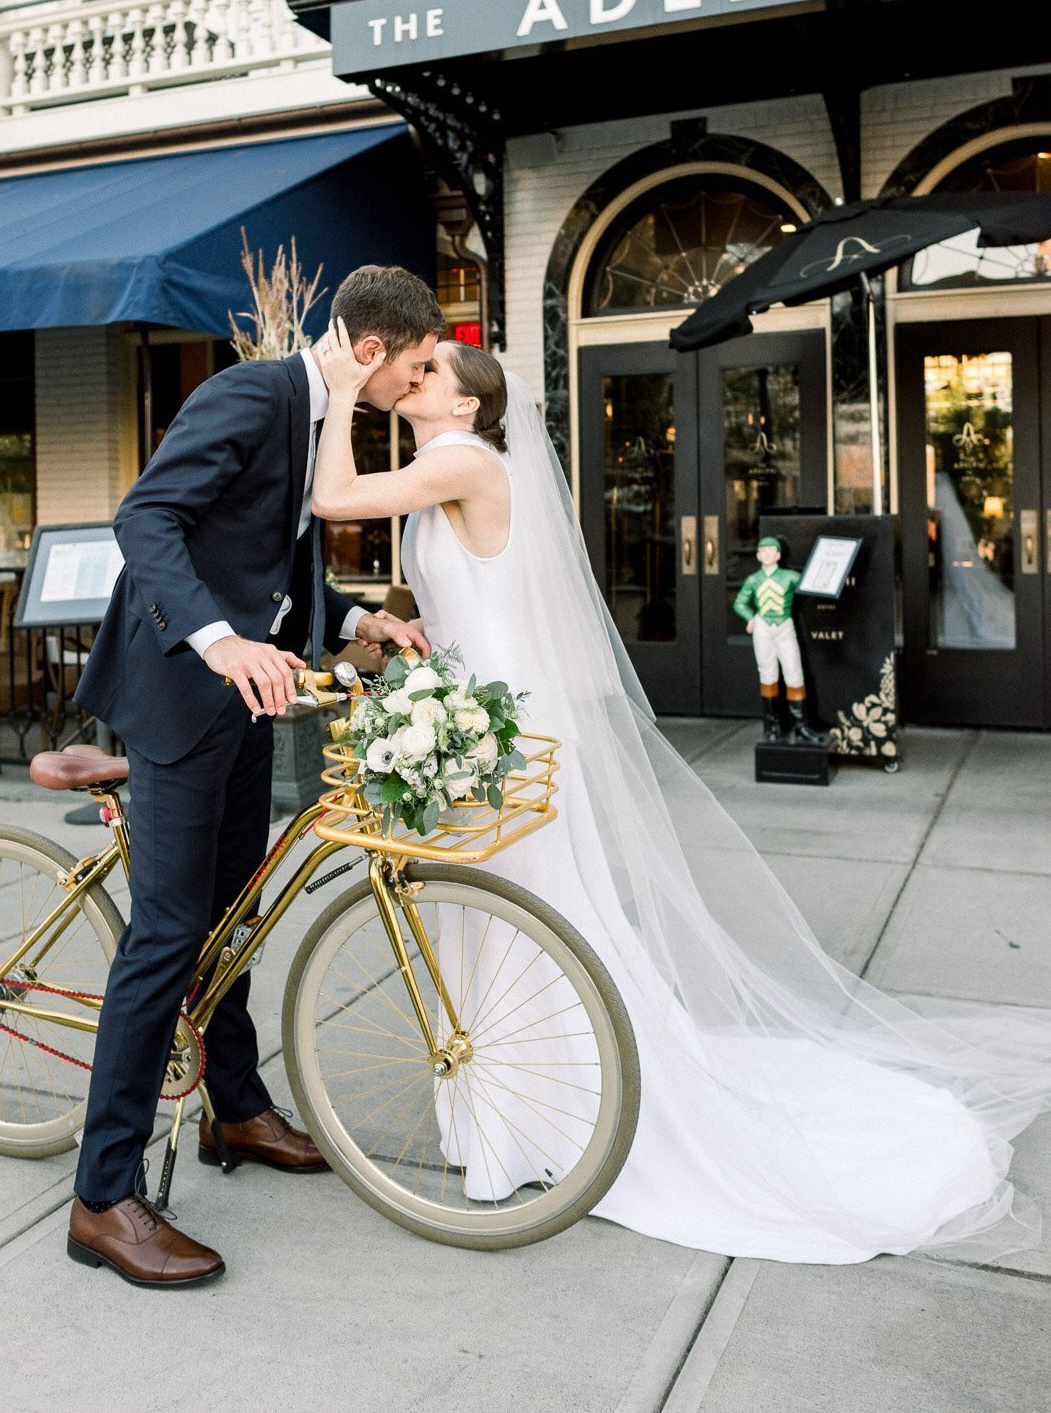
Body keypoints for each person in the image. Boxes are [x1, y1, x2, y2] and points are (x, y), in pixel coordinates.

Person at [312, 324, 1051, 1266]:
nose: (411, 377)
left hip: (497, 726)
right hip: (465, 711)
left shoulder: (460, 459)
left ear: (465, 403)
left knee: (520, 911)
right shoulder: (446, 467)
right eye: (410, 368)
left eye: (430, 371)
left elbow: (333, 498)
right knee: (484, 915)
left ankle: (550, 1119)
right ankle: (506, 1119)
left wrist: (342, 388)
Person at [67, 267, 440, 1288]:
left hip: (246, 702)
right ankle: (102, 1199)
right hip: (182, 696)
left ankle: (233, 1109)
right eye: (414, 370)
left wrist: (356, 616)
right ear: (371, 351)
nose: (416, 388)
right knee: (167, 934)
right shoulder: (249, 393)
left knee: (232, 915)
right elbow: (146, 520)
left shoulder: (320, 420)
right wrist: (220, 641)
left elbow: (271, 563)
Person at [731, 534, 822, 742]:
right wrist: (750, 617)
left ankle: (801, 725)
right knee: (767, 674)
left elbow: (810, 584)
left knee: (794, 672)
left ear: (778, 555)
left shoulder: (790, 576)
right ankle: (771, 726)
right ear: (758, 555)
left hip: (784, 626)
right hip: (763, 627)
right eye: (763, 551)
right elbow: (739, 602)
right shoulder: (753, 580)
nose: (767, 554)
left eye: (771, 550)